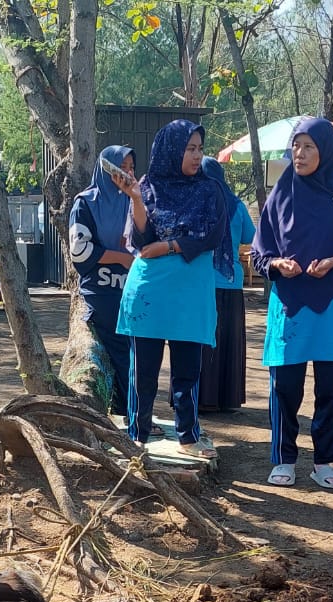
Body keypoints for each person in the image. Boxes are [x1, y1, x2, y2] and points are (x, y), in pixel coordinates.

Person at [251, 120, 333, 488]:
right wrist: (278, 264)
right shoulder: (281, 192)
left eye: (308, 147)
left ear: (326, 151)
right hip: (289, 303)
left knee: (330, 386)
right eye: (296, 147)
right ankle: (284, 457)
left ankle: (324, 460)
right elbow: (260, 254)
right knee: (284, 386)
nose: (300, 154)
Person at [113, 119, 232, 458]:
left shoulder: (210, 189)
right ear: (171, 150)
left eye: (200, 149)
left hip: (190, 292)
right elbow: (140, 240)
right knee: (143, 371)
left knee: (187, 371)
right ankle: (137, 434)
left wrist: (170, 247)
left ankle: (188, 435)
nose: (197, 156)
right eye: (190, 149)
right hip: (150, 289)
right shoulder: (148, 185)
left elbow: (213, 235)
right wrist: (136, 198)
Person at [69, 145, 137, 425]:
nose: (130, 173)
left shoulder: (135, 200)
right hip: (102, 290)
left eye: (133, 167)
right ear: (109, 168)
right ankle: (128, 413)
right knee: (121, 349)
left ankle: (133, 412)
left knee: (139, 349)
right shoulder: (86, 203)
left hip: (132, 289)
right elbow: (80, 250)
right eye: (125, 167)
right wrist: (120, 258)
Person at [199, 156, 254, 416]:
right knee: (229, 341)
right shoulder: (236, 205)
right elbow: (251, 237)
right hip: (231, 283)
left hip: (200, 283)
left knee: (202, 339)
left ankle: (201, 397)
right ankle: (227, 398)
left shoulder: (195, 203)